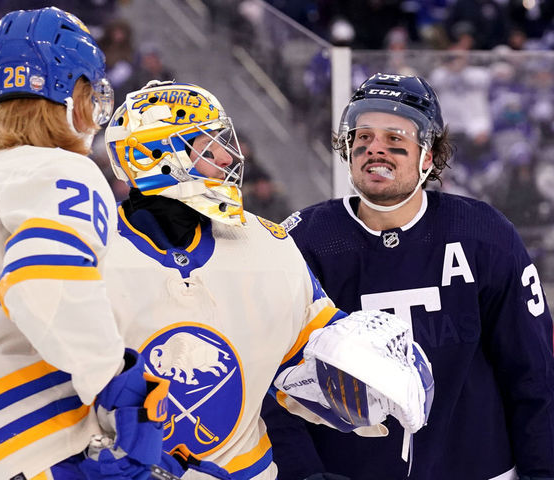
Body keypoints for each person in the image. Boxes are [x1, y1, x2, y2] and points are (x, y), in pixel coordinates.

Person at [102, 80, 436, 479]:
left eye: (223, 141)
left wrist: (364, 372)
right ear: (155, 156)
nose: (229, 156)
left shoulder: (265, 243)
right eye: (208, 147)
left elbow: (308, 350)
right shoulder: (88, 253)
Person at [0, 8, 167, 480]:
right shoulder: (61, 169)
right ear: (71, 94)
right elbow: (43, 282)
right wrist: (116, 382)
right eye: (92, 92)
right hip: (1, 446)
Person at [262, 72, 554, 480]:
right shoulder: (304, 242)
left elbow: (534, 373)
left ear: (428, 156)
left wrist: (542, 471)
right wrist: (303, 473)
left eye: (395, 140)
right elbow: (269, 381)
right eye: (362, 138)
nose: (374, 149)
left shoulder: (483, 233)